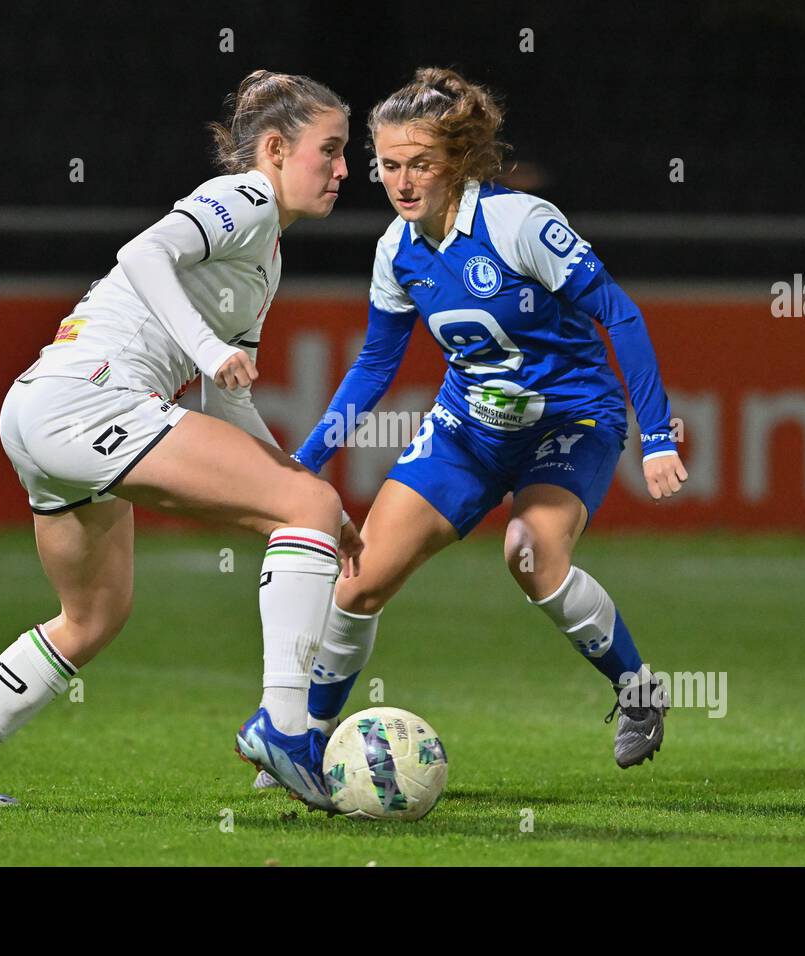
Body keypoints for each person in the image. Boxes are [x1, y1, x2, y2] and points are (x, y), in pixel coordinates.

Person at [0, 70, 361, 812]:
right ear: (274, 148)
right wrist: (212, 353)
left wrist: (295, 480)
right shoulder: (241, 198)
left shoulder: (266, 253)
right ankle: (284, 726)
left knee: (92, 618)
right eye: (330, 150)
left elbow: (227, 401)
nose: (344, 169)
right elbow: (144, 253)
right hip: (91, 400)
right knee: (304, 506)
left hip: (40, 409)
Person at [289, 68, 687, 776]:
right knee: (358, 582)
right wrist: (308, 458)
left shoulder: (520, 223)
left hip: (571, 420)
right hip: (468, 429)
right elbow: (376, 366)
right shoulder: (396, 250)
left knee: (527, 552)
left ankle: (637, 690)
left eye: (421, 164)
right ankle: (303, 745)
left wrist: (657, 436)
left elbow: (619, 314)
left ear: (458, 162)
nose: (403, 182)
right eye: (388, 166)